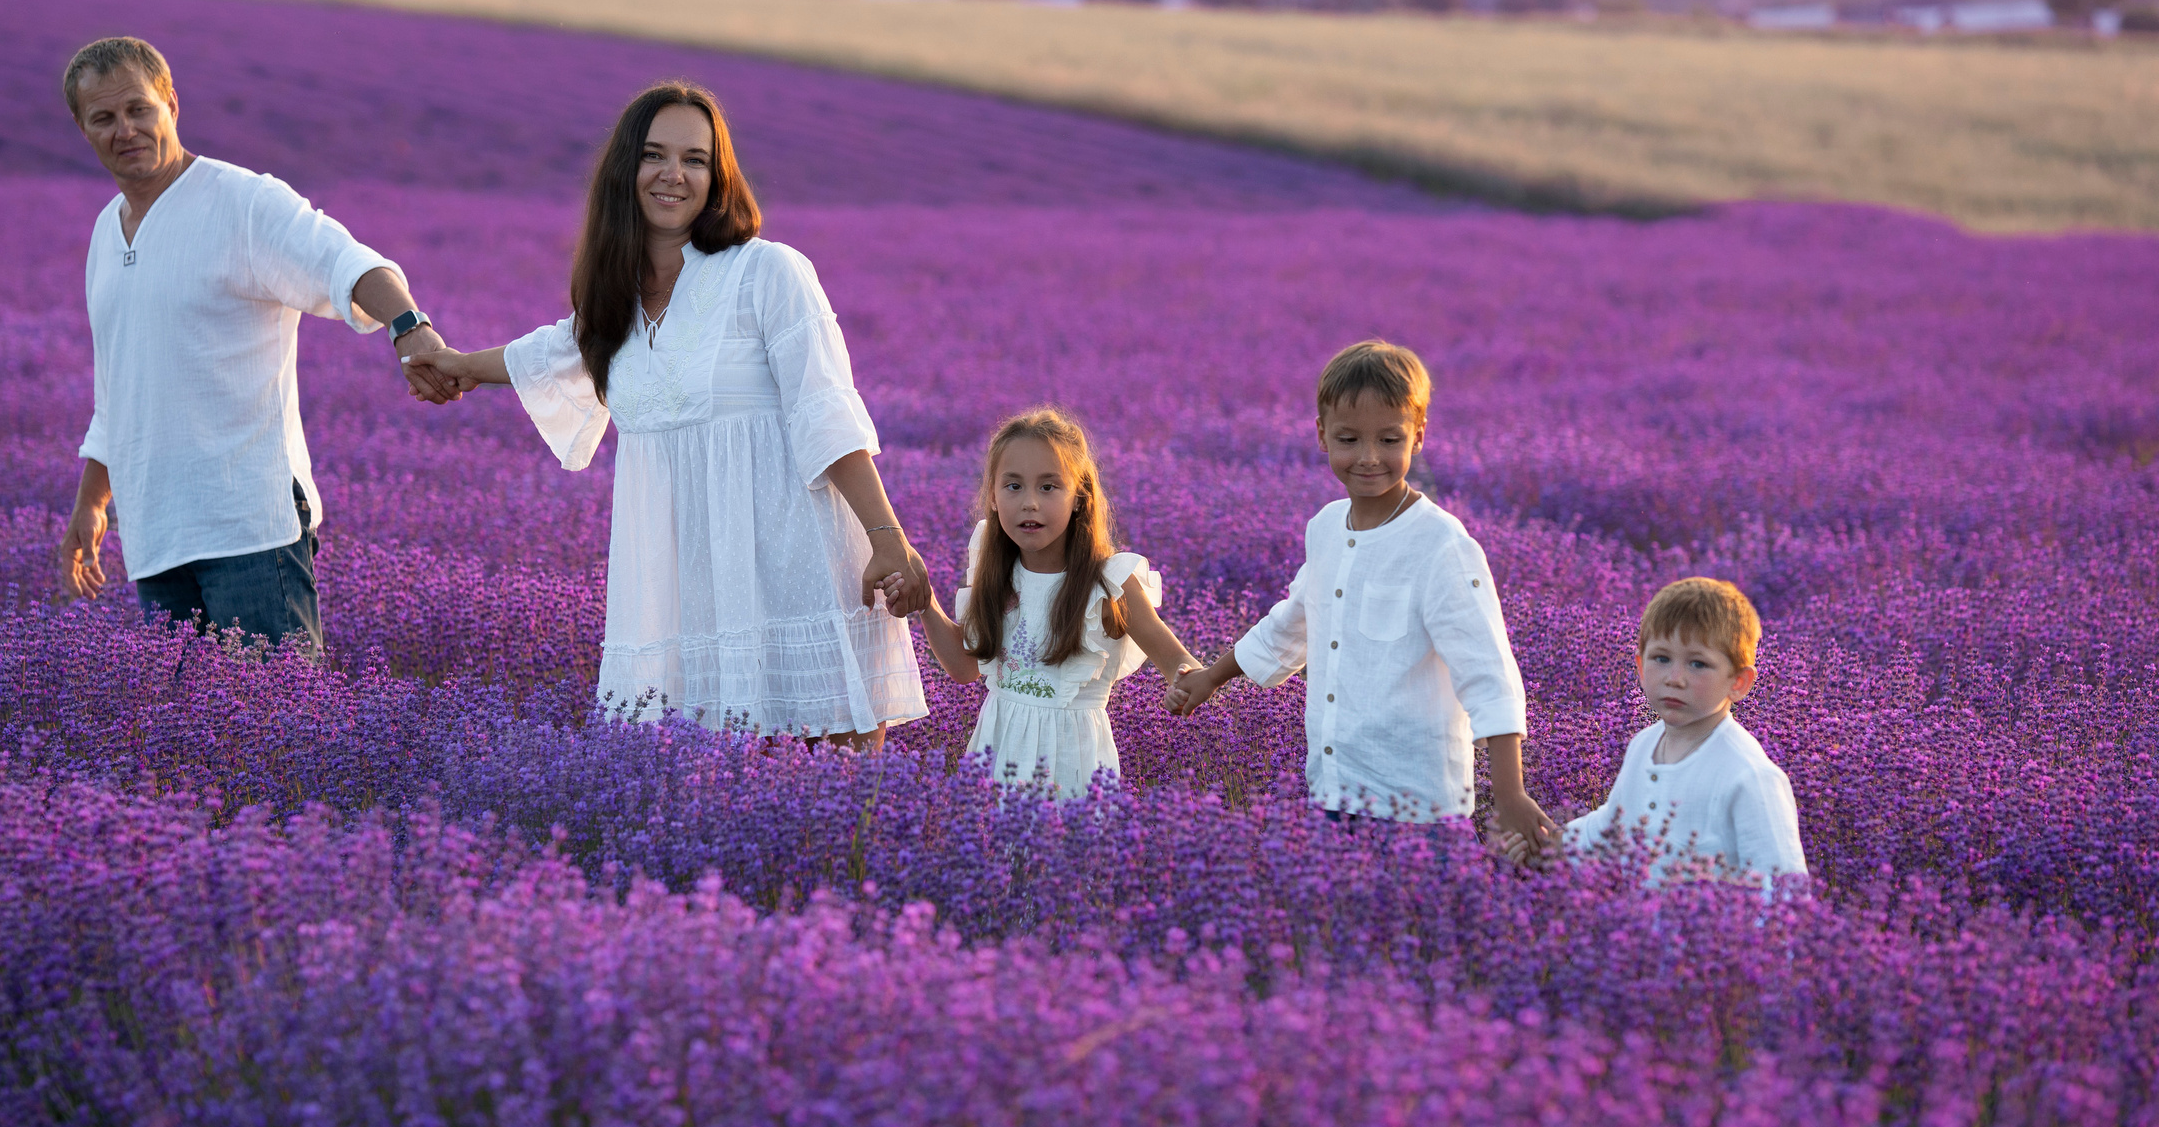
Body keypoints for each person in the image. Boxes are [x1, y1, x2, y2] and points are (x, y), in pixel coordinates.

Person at [413, 82, 927, 747]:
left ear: (718, 178)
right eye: (655, 155)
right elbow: (551, 350)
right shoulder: (615, 302)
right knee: (710, 809)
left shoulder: (769, 273)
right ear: (625, 169)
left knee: (831, 807)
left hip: (800, 572)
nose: (673, 174)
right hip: (686, 597)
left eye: (695, 159)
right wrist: (453, 365)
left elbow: (825, 409)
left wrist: (887, 537)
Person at [55, 36, 457, 651]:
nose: (125, 129)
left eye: (140, 109)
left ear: (171, 104)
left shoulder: (242, 203)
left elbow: (346, 261)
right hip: (156, 533)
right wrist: (92, 502)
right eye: (104, 118)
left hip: (249, 525)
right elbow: (118, 386)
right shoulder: (105, 234)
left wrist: (410, 328)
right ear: (83, 130)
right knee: (190, 742)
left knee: (284, 731)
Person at [1169, 340, 1552, 848]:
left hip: (1416, 804)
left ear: (1418, 437)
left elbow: (1488, 671)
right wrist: (1211, 678)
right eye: (1349, 439)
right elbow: (1296, 619)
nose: (1369, 458)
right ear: (1322, 436)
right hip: (1334, 786)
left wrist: (1509, 793)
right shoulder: (1326, 527)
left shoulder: (1441, 546)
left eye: (1389, 440)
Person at [894, 409, 1202, 796]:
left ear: (1079, 497)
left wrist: (1185, 682)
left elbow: (1178, 662)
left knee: (1067, 852)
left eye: (1048, 487)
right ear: (992, 495)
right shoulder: (995, 572)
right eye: (1013, 486)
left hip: (1073, 761)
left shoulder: (1108, 583)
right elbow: (964, 666)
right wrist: (926, 605)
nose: (1029, 503)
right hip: (997, 750)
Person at [1562, 578, 1806, 891]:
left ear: (1739, 682)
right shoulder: (1643, 746)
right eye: (1661, 659)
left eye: (1698, 664)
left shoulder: (1747, 775)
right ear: (1639, 666)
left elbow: (1784, 889)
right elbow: (1613, 825)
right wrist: (1552, 842)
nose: (1675, 679)